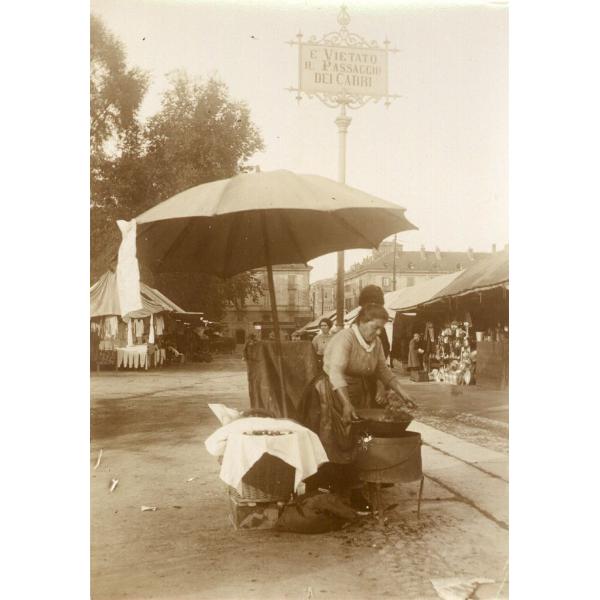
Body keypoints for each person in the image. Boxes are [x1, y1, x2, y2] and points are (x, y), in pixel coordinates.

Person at [313, 303, 417, 510]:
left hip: (359, 389)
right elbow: (336, 373)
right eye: (375, 327)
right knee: (340, 438)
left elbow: (383, 371)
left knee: (363, 439)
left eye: (381, 328)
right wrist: (346, 404)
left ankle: (357, 487)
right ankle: (337, 491)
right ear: (362, 322)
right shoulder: (345, 339)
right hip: (334, 390)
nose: (378, 333)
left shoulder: (375, 343)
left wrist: (404, 394)